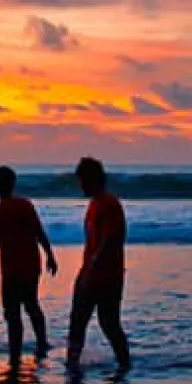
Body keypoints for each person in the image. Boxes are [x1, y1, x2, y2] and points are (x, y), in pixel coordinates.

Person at [0, 164, 58, 364]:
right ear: (13, 183)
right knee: (32, 303)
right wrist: (50, 255)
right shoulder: (24, 205)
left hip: (11, 269)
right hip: (31, 264)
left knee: (12, 311)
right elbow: (39, 232)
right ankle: (42, 342)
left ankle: (15, 350)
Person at [67, 156, 131, 371]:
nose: (80, 186)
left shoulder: (108, 204)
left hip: (103, 275)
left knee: (92, 322)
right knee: (103, 322)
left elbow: (109, 239)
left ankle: (74, 365)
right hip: (100, 272)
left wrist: (91, 268)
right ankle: (121, 362)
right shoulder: (96, 204)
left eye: (83, 181)